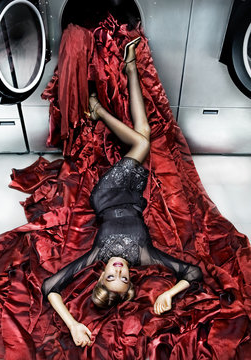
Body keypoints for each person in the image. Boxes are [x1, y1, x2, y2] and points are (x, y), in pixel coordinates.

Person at [42, 37, 203, 348]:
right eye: (125, 279)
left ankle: (97, 109)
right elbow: (192, 271)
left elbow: (51, 286)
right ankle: (130, 69)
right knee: (144, 136)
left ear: (100, 275)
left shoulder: (97, 256)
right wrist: (170, 293)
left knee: (142, 144)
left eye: (110, 278)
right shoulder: (145, 257)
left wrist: (74, 324)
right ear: (131, 277)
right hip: (133, 193)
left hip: (107, 195)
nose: (118, 272)